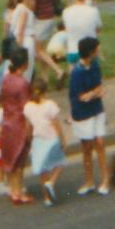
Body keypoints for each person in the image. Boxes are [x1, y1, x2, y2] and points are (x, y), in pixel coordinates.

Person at [68, 34, 110, 196]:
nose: (99, 52)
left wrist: (93, 93)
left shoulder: (95, 66)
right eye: (97, 50)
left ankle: (105, 180)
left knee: (100, 143)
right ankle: (89, 181)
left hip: (96, 108)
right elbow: (81, 97)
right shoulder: (77, 73)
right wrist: (95, 93)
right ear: (91, 52)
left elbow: (99, 87)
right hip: (82, 113)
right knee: (86, 148)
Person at [0, 46, 33, 204]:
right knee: (20, 159)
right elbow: (27, 108)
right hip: (19, 122)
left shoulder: (6, 79)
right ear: (25, 64)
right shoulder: (23, 83)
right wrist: (29, 128)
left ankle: (14, 190)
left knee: (10, 157)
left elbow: (1, 98)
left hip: (7, 121)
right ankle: (18, 191)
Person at [23, 77, 67, 206]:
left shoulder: (28, 107)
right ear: (45, 91)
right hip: (51, 139)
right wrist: (62, 139)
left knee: (43, 169)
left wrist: (29, 138)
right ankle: (51, 182)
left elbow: (28, 126)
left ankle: (47, 197)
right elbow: (56, 124)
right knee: (59, 162)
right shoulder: (50, 105)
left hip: (38, 140)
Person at [23, 0, 65, 85]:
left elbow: (32, 3)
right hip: (51, 16)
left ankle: (58, 71)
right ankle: (44, 77)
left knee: (37, 50)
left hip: (41, 18)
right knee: (42, 49)